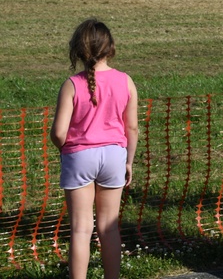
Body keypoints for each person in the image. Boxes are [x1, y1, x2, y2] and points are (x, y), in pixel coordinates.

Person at [50, 19, 139, 279]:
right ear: (110, 47)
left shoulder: (72, 84)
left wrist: (64, 149)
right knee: (109, 228)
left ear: (78, 50)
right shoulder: (126, 81)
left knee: (80, 229)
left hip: (79, 156)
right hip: (114, 155)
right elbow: (131, 128)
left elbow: (58, 132)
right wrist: (128, 161)